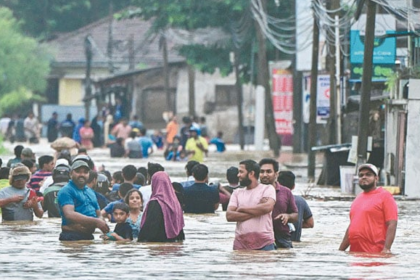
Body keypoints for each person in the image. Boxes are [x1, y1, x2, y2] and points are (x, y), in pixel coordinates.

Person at [339, 164, 398, 253]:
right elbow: (352, 226)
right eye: (361, 175)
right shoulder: (358, 198)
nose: (364, 177)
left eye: (368, 174)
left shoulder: (385, 196)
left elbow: (392, 224)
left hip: (375, 255)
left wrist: (386, 249)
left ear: (376, 178)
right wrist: (340, 250)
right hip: (355, 256)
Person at [226, 160, 276, 250]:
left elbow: (267, 207)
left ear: (251, 173)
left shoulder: (267, 189)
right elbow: (229, 216)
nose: (238, 175)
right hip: (241, 244)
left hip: (264, 243)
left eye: (241, 172)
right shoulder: (237, 193)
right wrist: (258, 210)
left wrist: (242, 208)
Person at [57, 159, 109, 241]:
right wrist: (96, 222)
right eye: (78, 171)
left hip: (89, 236)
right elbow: (69, 214)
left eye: (85, 172)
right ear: (71, 174)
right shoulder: (66, 191)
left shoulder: (90, 191)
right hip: (71, 237)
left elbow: (98, 213)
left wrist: (102, 224)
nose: (82, 174)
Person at [259, 158, 298, 249]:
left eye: (268, 171)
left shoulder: (286, 192)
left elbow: (295, 215)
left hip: (282, 238)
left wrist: (288, 216)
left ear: (276, 174)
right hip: (259, 237)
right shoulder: (253, 191)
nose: (264, 175)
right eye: (262, 172)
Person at [138, 171, 185, 242]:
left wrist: (140, 242)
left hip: (158, 245)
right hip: (172, 244)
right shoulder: (175, 203)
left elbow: (149, 229)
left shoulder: (155, 203)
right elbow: (180, 228)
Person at [278, 171, 314, 242]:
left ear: (278, 185)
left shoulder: (272, 200)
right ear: (294, 186)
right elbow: (310, 223)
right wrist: (296, 224)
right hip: (295, 244)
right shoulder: (301, 201)